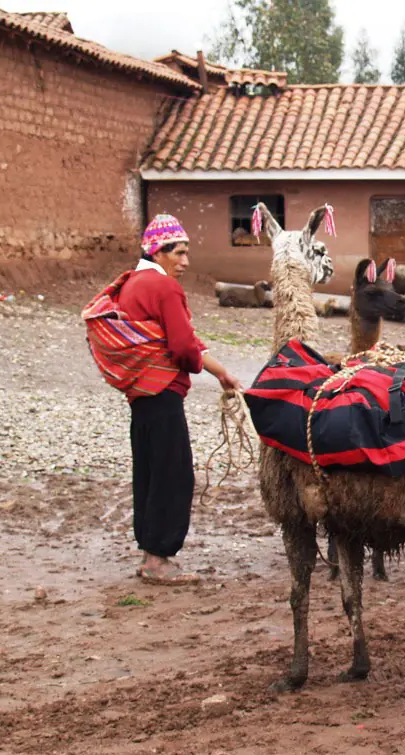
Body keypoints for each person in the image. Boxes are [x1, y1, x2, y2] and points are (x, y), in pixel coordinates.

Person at [86, 214, 243, 585]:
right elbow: (183, 346)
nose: (185, 262)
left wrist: (222, 372)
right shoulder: (165, 288)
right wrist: (206, 368)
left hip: (141, 396)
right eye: (180, 252)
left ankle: (149, 554)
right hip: (163, 392)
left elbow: (167, 340)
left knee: (150, 472)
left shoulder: (129, 286)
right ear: (158, 251)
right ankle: (158, 559)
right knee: (174, 475)